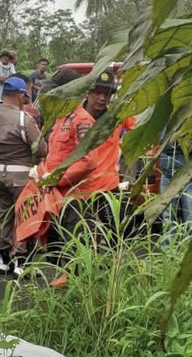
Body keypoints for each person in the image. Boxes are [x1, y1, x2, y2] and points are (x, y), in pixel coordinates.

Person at [44, 71, 124, 289]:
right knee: (72, 238)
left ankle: (103, 288)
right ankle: (73, 278)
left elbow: (143, 127)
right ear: (86, 93)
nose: (102, 98)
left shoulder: (118, 116)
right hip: (77, 190)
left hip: (106, 190)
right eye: (97, 92)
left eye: (107, 94)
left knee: (106, 242)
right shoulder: (69, 118)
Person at [0, 77, 45, 276]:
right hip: (22, 176)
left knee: (5, 216)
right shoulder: (23, 119)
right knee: (24, 217)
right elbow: (41, 149)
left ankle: (3, 260)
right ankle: (21, 262)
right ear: (19, 95)